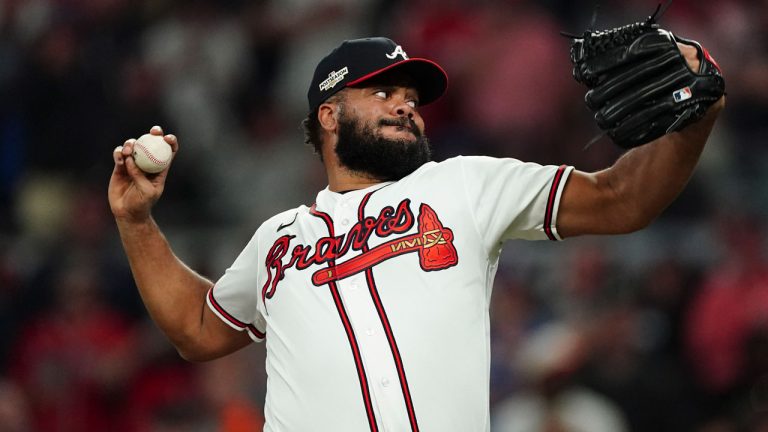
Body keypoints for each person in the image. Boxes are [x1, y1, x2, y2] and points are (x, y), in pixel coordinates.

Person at [109, 36, 724, 431]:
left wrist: (695, 120)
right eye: (383, 91)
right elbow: (195, 329)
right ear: (328, 114)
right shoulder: (279, 238)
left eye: (412, 96)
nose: (406, 104)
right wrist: (136, 222)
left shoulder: (466, 185)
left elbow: (622, 199)